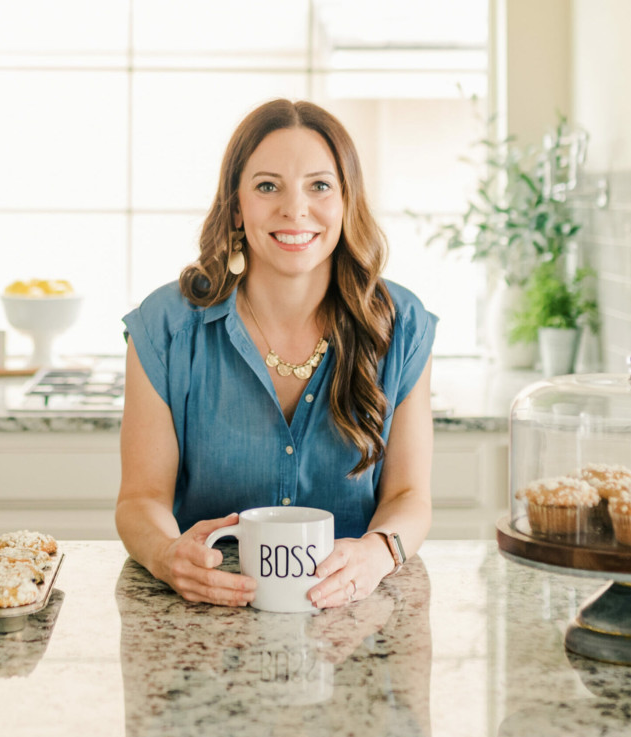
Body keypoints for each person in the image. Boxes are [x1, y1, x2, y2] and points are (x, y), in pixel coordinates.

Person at [116, 98, 437, 609]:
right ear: (237, 206)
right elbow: (141, 499)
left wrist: (378, 553)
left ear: (346, 201)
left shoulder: (401, 324)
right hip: (205, 618)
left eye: (319, 185)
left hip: (354, 619)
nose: (295, 209)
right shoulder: (166, 326)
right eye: (268, 186)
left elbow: (408, 497)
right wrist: (166, 554)